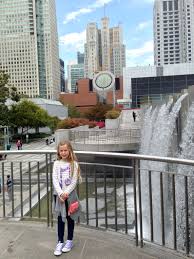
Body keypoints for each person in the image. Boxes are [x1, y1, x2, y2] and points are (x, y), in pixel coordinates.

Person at [52, 140, 81, 256]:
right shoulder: (56, 164)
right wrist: (60, 194)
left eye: (65, 150)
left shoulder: (74, 164)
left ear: (69, 151)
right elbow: (54, 179)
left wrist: (65, 194)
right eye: (61, 150)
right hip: (59, 196)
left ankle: (69, 240)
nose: (63, 152)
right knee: (60, 219)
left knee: (70, 218)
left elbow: (74, 181)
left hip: (70, 196)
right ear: (59, 152)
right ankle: (60, 241)